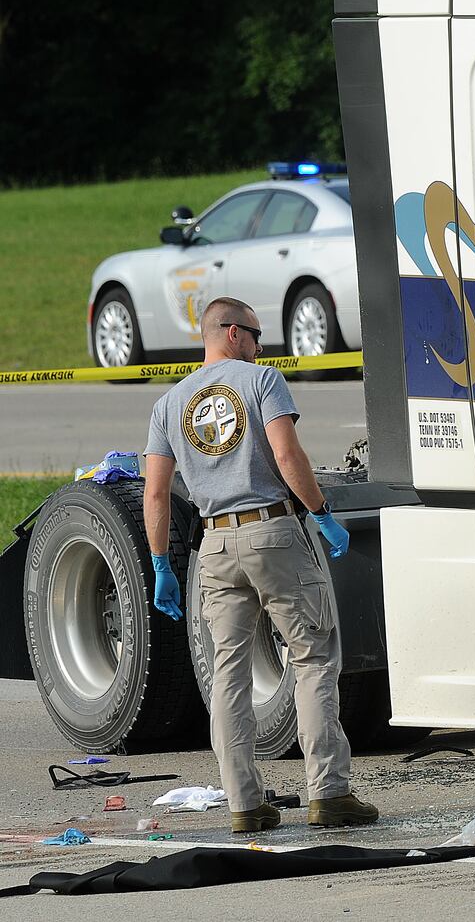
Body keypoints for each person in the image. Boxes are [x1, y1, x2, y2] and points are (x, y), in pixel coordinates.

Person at [142, 296, 378, 834]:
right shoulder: (260, 381)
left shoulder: (168, 405)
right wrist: (321, 513)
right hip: (272, 531)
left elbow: (155, 495)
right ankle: (329, 792)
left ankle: (243, 804)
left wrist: (162, 564)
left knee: (228, 673)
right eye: (254, 333)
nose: (260, 345)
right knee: (313, 657)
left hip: (216, 546)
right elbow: (288, 455)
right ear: (230, 333)